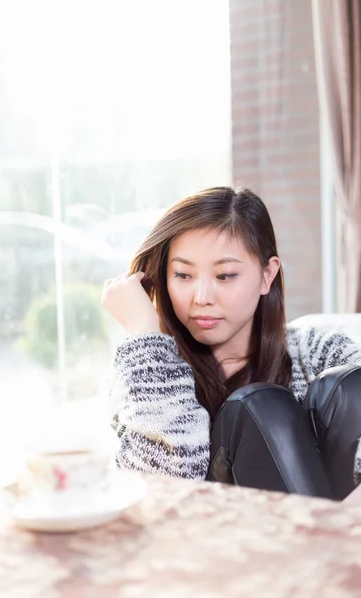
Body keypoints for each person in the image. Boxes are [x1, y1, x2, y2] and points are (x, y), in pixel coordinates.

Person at [102, 186, 361, 502]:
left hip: (337, 542)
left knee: (351, 386)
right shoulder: (145, 371)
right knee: (260, 406)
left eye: (224, 276)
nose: (202, 298)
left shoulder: (317, 351)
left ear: (268, 275)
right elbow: (164, 489)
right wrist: (146, 335)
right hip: (211, 541)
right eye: (183, 275)